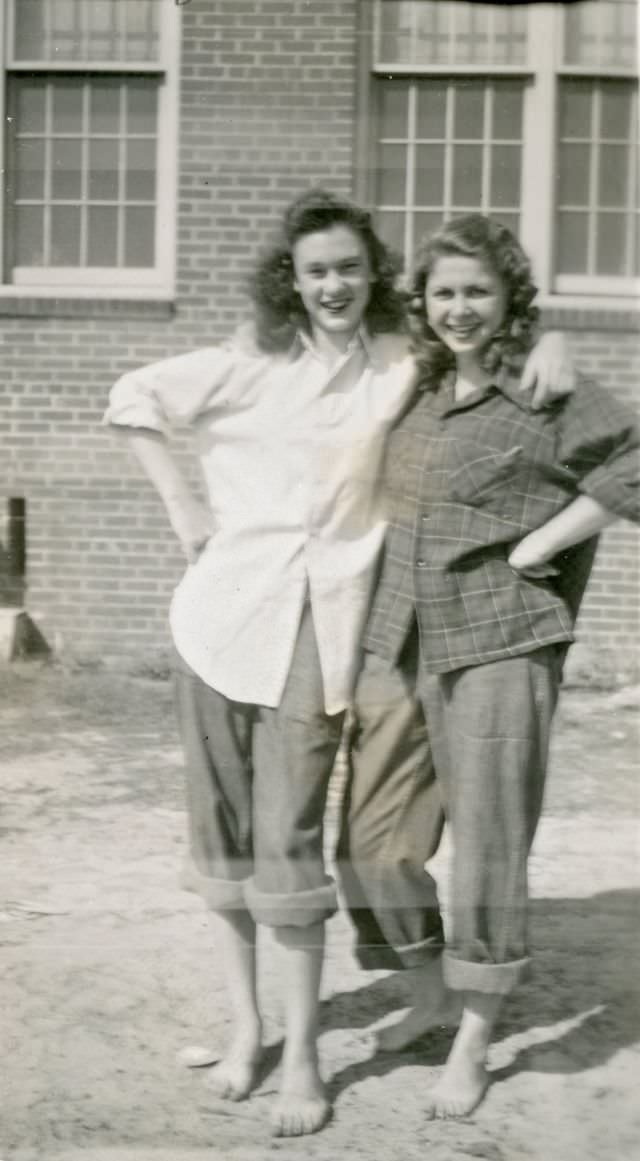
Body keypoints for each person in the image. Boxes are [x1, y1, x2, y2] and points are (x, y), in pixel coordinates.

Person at [104, 189, 572, 1137]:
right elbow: (132, 400)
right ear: (293, 277)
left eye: (351, 268)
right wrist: (183, 508)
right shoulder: (247, 364)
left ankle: (307, 1061)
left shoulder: (401, 362)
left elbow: (488, 338)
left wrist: (553, 340)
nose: (334, 286)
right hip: (221, 624)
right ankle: (246, 1030)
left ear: (373, 275)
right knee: (226, 842)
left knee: (293, 847)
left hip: (324, 639)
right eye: (316, 269)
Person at [339, 213, 639, 1119]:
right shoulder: (414, 383)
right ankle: (429, 990)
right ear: (420, 303)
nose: (459, 308)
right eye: (443, 292)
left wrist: (545, 539)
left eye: (478, 290)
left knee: (490, 847)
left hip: (504, 640)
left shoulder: (546, 387)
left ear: (509, 297)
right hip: (400, 635)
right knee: (373, 839)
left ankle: (473, 1030)